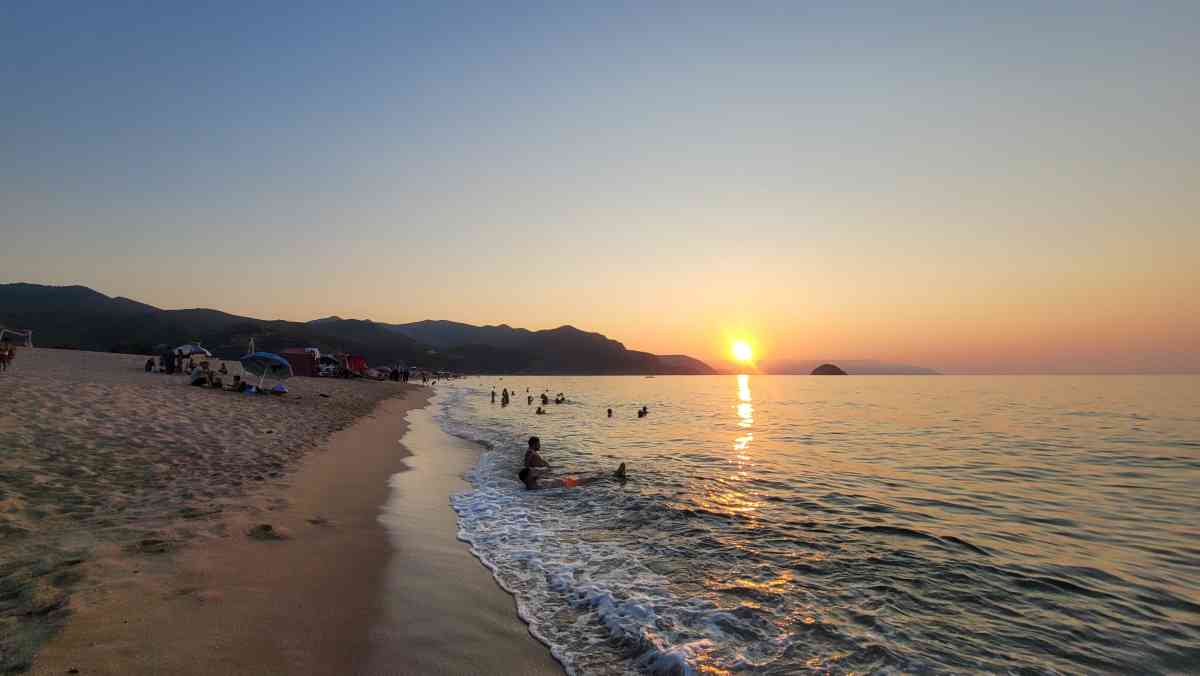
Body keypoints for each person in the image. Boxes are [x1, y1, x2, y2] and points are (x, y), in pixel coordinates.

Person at [518, 463, 626, 491]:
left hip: (566, 481)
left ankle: (612, 475)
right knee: (592, 479)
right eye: (532, 472)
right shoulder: (535, 488)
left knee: (593, 476)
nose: (535, 472)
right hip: (568, 485)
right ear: (527, 478)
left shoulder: (533, 484)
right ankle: (615, 476)